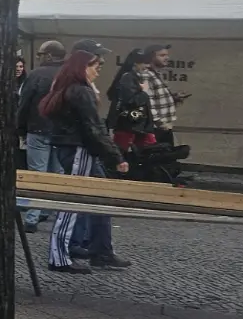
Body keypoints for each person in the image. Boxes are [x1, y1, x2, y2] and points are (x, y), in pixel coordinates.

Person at [40, 49, 131, 273]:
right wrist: (115, 156)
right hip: (78, 150)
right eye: (94, 66)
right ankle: (60, 257)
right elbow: (93, 127)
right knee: (74, 203)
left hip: (73, 148)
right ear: (82, 67)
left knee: (99, 199)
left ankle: (100, 252)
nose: (97, 71)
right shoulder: (80, 91)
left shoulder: (67, 89)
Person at [15, 41, 67, 231]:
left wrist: (20, 128)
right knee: (57, 174)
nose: (39, 58)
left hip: (38, 128)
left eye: (40, 54)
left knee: (37, 174)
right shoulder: (69, 74)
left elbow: (24, 103)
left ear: (49, 55)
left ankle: (32, 218)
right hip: (62, 133)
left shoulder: (36, 74)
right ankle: (52, 212)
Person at [107, 48, 158, 157]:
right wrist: (144, 92)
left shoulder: (132, 76)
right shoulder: (128, 78)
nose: (147, 66)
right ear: (135, 63)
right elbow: (131, 101)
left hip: (133, 125)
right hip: (131, 126)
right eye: (144, 63)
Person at [140, 44, 185, 144]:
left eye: (167, 55)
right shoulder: (146, 74)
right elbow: (147, 101)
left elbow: (156, 97)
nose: (167, 58)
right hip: (156, 128)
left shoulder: (156, 74)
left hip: (164, 126)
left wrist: (174, 98)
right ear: (151, 57)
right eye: (162, 55)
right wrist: (160, 122)